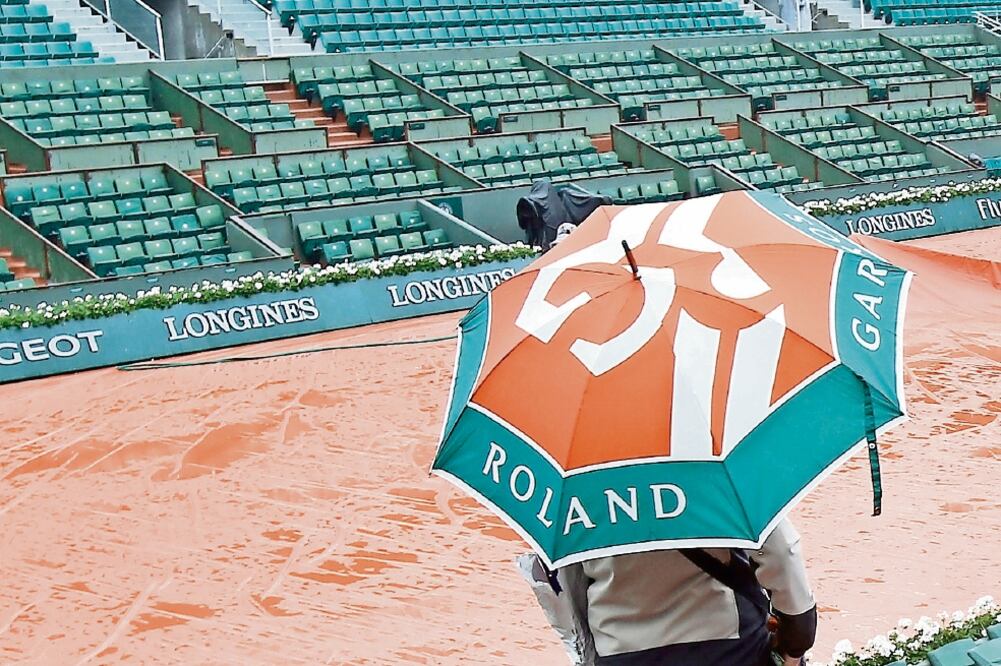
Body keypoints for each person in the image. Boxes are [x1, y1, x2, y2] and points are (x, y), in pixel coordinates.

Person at [580, 518, 817, 665]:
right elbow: (782, 551)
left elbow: (559, 587)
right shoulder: (715, 458)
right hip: (727, 644)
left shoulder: (572, 484)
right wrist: (796, 642)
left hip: (621, 649)